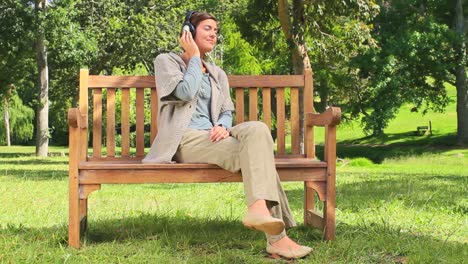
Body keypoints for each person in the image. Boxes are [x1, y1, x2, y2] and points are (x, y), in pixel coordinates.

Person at [142, 11, 312, 259]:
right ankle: (279, 239)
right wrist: (195, 58)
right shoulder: (166, 61)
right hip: (185, 139)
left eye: (216, 30)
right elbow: (185, 92)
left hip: (215, 137)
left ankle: (257, 209)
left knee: (258, 130)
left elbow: (226, 109)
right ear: (188, 31)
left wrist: (223, 124)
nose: (214, 34)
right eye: (208, 28)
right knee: (257, 158)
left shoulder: (217, 73)